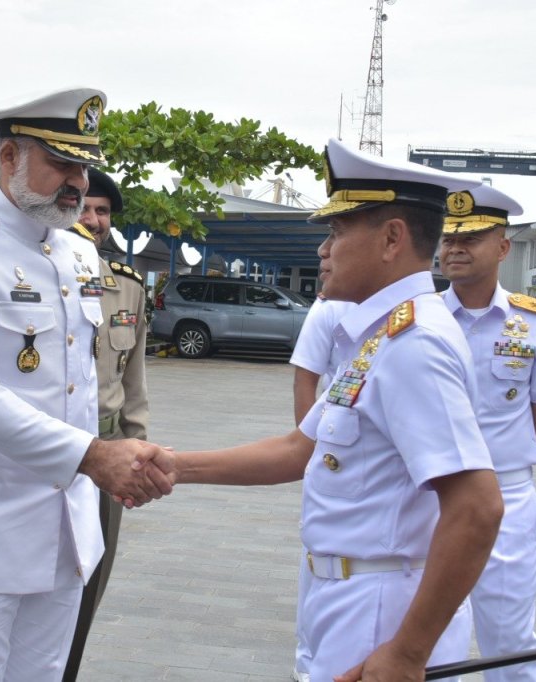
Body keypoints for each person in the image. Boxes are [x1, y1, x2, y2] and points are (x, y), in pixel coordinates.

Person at [138, 137, 504, 681]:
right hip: (344, 595)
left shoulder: (415, 345)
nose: (322, 251)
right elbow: (299, 449)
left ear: (392, 238)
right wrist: (175, 466)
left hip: (380, 610)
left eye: (336, 232)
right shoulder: (379, 336)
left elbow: (477, 507)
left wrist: (408, 652)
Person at [0, 87, 172, 682]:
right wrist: (93, 456)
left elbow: (80, 381)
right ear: (8, 158)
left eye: (84, 167)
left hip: (65, 529)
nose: (77, 182)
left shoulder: (79, 254)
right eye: (61, 164)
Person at [440, 184, 536, 681]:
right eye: (449, 239)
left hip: (508, 495)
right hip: (432, 496)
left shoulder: (534, 322)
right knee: (432, 641)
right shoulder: (417, 319)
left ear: (502, 247)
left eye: (470, 238)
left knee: (510, 641)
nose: (455, 249)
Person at [63, 169, 150, 680]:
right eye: (84, 208)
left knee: (91, 576)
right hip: (49, 452)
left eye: (102, 211)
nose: (93, 220)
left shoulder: (127, 288)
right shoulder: (33, 277)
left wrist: (137, 449)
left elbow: (133, 376)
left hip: (109, 446)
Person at [288, 294, 354, 682]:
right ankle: (307, 664)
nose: (326, 263)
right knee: (318, 559)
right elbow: (306, 377)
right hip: (334, 452)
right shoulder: (331, 308)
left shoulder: (423, 323)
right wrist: (311, 451)